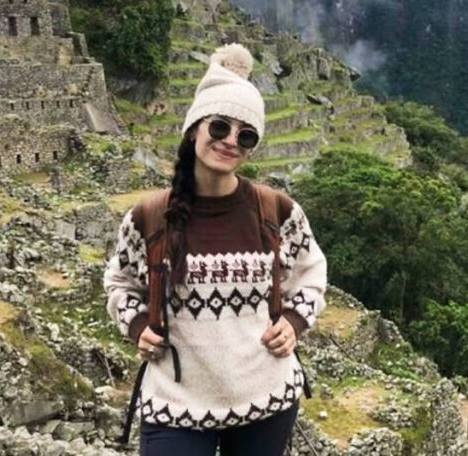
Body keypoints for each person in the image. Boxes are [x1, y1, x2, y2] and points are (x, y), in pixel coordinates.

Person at [104, 43, 327, 456]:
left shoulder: (277, 211)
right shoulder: (150, 217)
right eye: (220, 127)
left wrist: (294, 321)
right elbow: (120, 283)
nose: (230, 142)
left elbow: (311, 274)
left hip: (266, 399)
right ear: (194, 129)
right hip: (177, 402)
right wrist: (138, 326)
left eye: (245, 135)